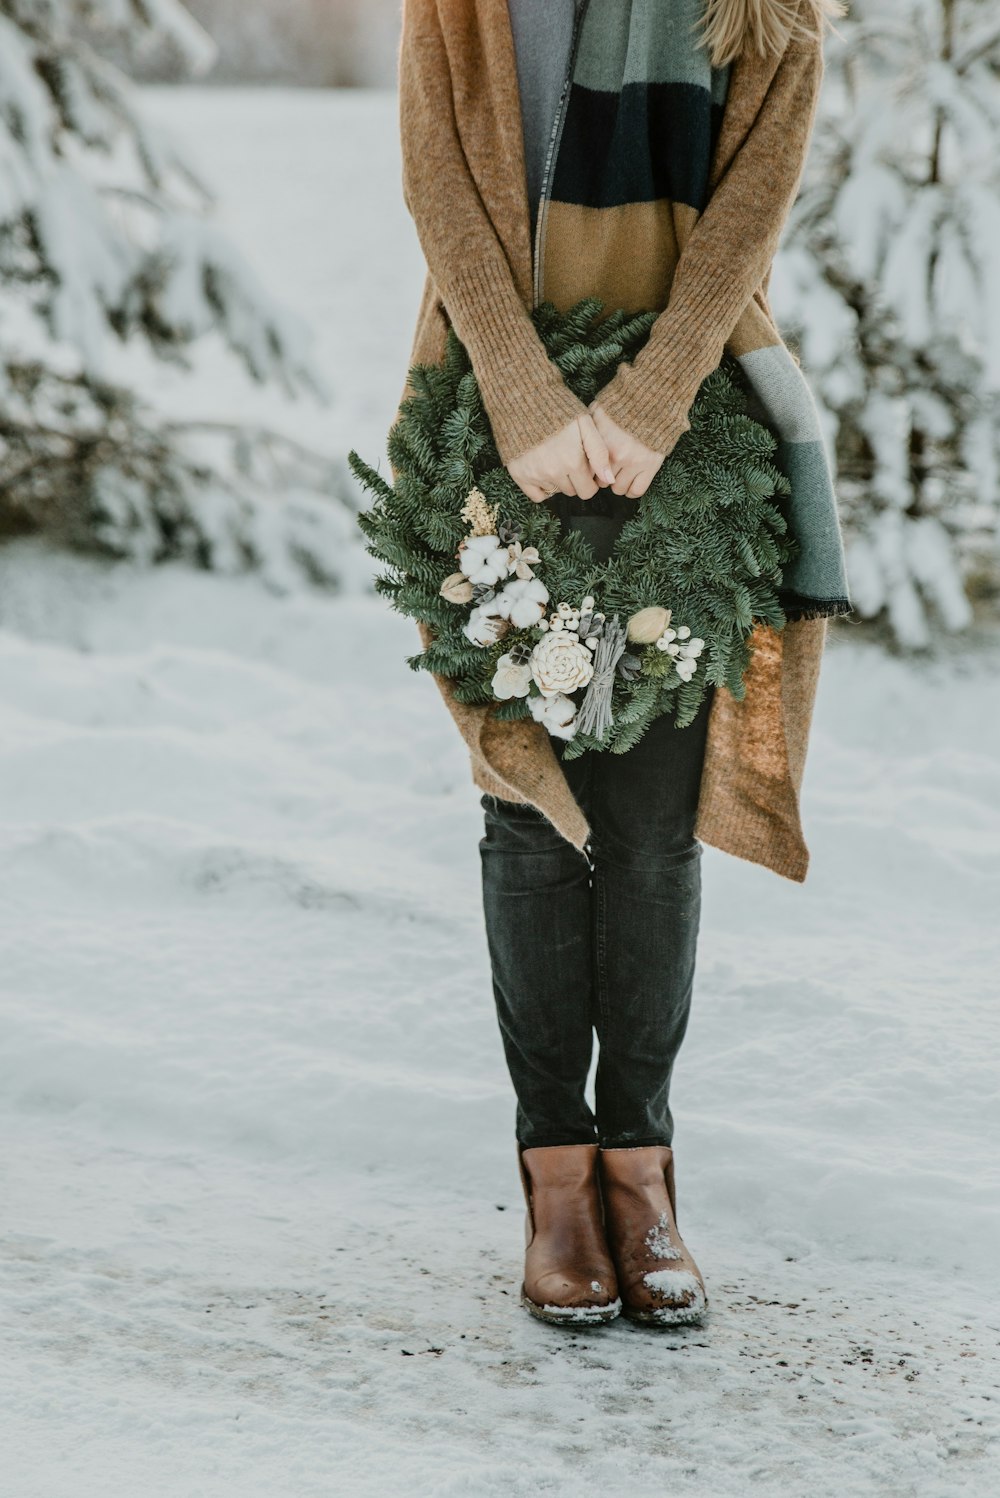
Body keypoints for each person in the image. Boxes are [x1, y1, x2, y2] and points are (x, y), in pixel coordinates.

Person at [396, 0, 849, 1328]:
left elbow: (750, 210)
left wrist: (652, 400)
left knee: (651, 826)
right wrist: (527, 398)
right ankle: (554, 1179)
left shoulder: (765, 5)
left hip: (691, 408)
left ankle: (640, 1173)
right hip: (490, 399)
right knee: (534, 808)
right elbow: (439, 178)